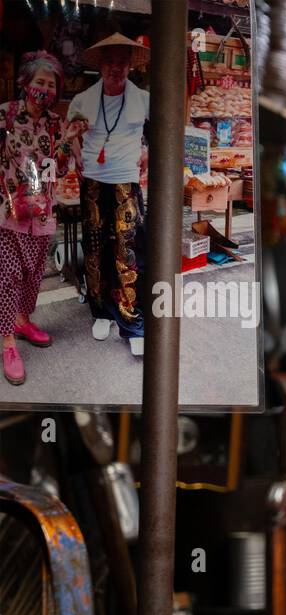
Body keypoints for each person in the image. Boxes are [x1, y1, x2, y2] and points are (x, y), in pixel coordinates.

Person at [66, 33, 150, 357]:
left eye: (122, 61)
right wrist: (76, 150)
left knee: (129, 252)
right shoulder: (84, 99)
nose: (116, 67)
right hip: (93, 183)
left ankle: (132, 321)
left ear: (130, 65)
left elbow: (164, 129)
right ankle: (100, 312)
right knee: (95, 249)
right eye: (110, 61)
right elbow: (68, 131)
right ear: (101, 65)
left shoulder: (142, 98)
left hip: (126, 183)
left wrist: (149, 153)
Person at [0, 51, 74, 386]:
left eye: (51, 84)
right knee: (8, 276)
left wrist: (69, 143)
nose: (44, 89)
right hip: (9, 214)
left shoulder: (56, 123)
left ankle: (22, 319)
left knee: (32, 276)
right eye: (39, 82)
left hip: (42, 213)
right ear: (26, 83)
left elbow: (59, 167)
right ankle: (8, 343)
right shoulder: (5, 115)